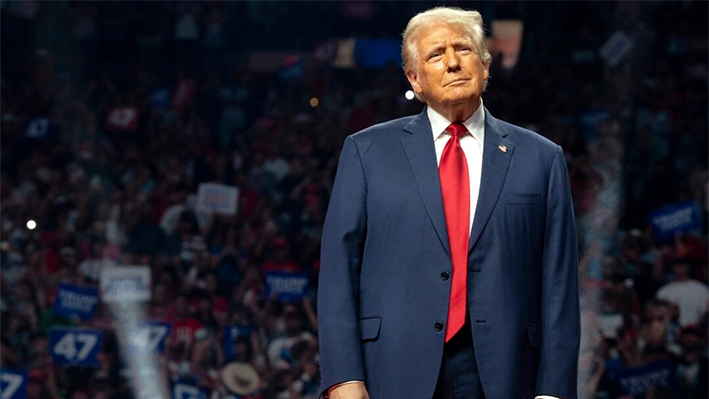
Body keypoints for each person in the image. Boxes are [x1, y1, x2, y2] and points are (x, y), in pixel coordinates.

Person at [317, 6, 580, 399]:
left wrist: (554, 391)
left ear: (486, 65)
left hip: (506, 374)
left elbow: (559, 284)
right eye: (436, 55)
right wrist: (343, 379)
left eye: (464, 49)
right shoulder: (366, 152)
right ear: (414, 78)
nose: (453, 63)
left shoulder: (541, 158)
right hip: (392, 367)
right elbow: (338, 273)